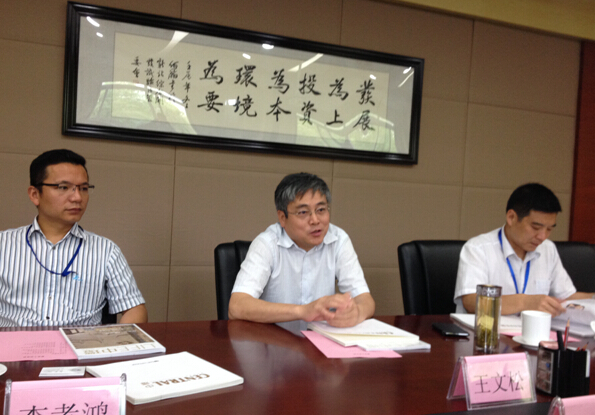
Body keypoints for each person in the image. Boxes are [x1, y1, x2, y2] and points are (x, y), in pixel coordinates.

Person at [0, 149, 148, 327]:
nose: (77, 197)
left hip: (82, 343)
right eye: (63, 187)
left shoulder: (106, 251)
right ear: (35, 194)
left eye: (83, 188)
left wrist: (114, 341)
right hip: (15, 343)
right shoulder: (3, 245)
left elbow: (134, 309)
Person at [228, 172, 375, 327]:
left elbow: (365, 300)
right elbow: (237, 306)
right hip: (273, 340)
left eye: (321, 210)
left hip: (321, 340)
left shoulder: (338, 240)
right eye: (303, 212)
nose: (315, 220)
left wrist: (356, 313)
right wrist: (303, 311)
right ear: (282, 218)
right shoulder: (267, 244)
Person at [454, 183, 594, 317]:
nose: (542, 237)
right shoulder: (478, 249)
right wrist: (525, 302)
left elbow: (567, 297)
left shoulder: (548, 249)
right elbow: (471, 302)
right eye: (536, 227)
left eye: (549, 229)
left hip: (534, 333)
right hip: (487, 332)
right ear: (511, 217)